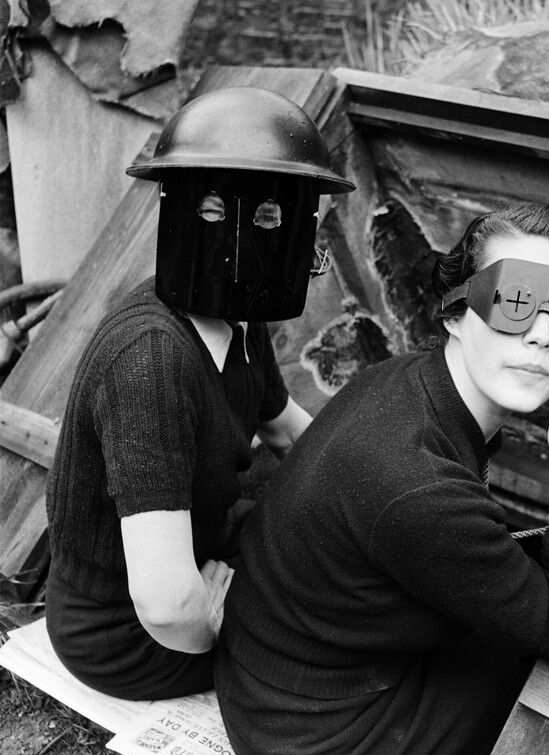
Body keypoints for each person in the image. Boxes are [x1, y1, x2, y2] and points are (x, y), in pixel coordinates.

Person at [215, 202, 549, 755]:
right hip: (326, 744)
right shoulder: (418, 487)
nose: (541, 335)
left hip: (279, 682)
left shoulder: (411, 380)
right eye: (514, 302)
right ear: (456, 313)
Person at [44, 86, 355, 701]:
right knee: (328, 645)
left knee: (333, 576)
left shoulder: (237, 316)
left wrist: (364, 500)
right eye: (213, 212)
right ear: (179, 212)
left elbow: (287, 430)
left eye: (271, 218)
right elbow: (163, 605)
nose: (246, 237)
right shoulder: (152, 360)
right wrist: (219, 622)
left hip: (204, 548)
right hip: (125, 632)